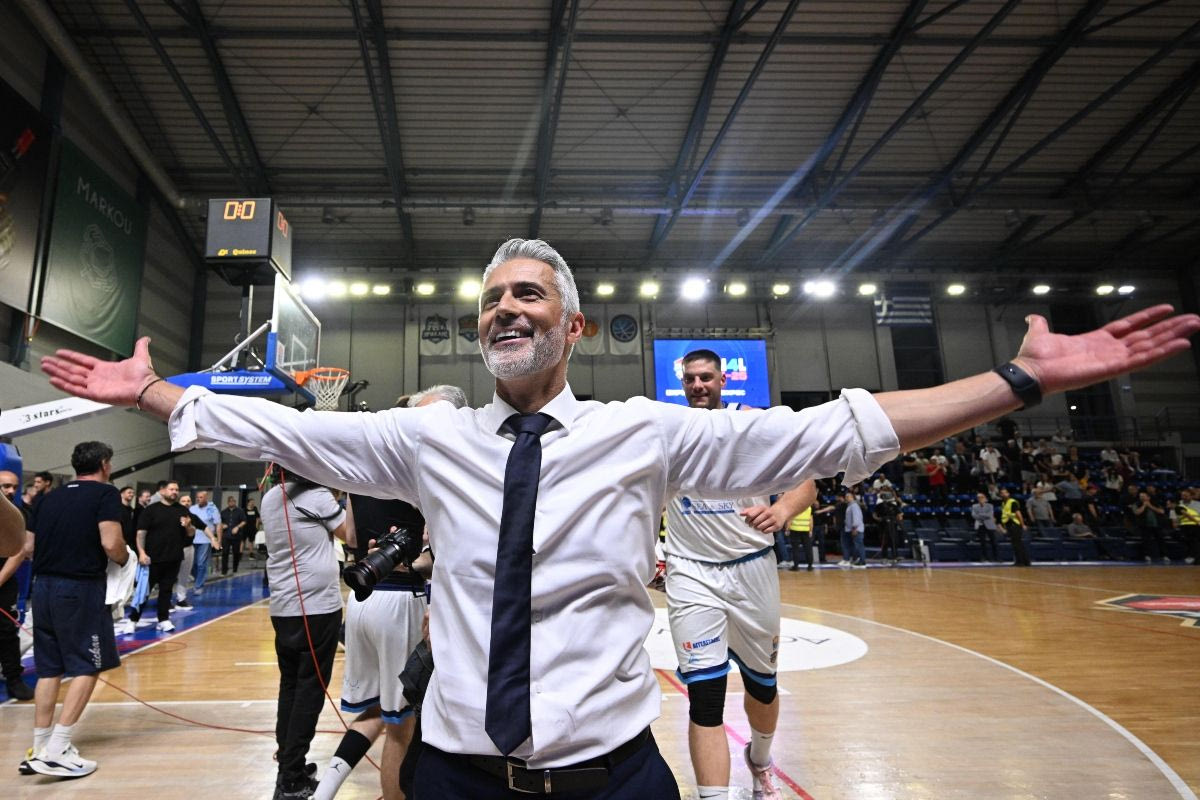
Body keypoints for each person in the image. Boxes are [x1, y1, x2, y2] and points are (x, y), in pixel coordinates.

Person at [41, 238, 1199, 798]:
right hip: (453, 777)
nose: (504, 308)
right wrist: (156, 394)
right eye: (492, 297)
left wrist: (1018, 380)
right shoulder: (428, 437)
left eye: (528, 294)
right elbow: (282, 430)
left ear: (573, 328)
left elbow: (837, 428)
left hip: (613, 781)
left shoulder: (645, 432)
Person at [663, 348, 814, 800]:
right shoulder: (669, 430)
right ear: (682, 383)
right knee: (705, 696)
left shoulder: (753, 423)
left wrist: (783, 510)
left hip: (752, 569)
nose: (698, 385)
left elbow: (805, 482)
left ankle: (760, 760)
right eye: (691, 378)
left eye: (706, 377)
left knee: (762, 687)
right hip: (691, 571)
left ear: (722, 380)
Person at [314, 384, 465, 800]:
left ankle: (323, 793)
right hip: (401, 599)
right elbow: (441, 545)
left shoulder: (360, 471)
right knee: (401, 725)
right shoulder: (417, 470)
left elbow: (350, 536)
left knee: (374, 711)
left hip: (362, 596)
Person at [22, 442, 128, 778]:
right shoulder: (106, 494)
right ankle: (57, 749)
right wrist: (125, 559)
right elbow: (111, 543)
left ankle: (39, 748)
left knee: (49, 668)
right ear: (104, 464)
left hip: (42, 588)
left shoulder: (47, 498)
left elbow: (28, 547)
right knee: (88, 664)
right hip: (80, 589)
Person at [260, 466, 348, 800]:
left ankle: (289, 765)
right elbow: (351, 535)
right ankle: (291, 778)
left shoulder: (271, 497)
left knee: (291, 687)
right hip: (315, 610)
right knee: (310, 691)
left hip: (284, 609)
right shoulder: (317, 496)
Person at [133, 481, 191, 631]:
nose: (174, 492)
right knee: (144, 591)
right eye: (171, 489)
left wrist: (188, 525)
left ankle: (163, 619)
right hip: (152, 558)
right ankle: (133, 619)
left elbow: (191, 533)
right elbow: (141, 533)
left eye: (177, 489)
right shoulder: (151, 510)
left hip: (173, 557)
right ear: (163, 491)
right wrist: (142, 553)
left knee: (166, 590)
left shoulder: (182, 510)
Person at [0, 471, 34, 700]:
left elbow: (19, 551)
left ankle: (13, 678)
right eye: (5, 486)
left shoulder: (19, 515)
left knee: (6, 631)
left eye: (14, 486)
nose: (11, 491)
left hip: (4, 581)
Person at [184, 490, 221, 597]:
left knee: (201, 563)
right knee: (192, 564)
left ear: (206, 498)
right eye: (197, 497)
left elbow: (218, 525)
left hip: (205, 540)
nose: (198, 499)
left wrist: (218, 540)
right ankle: (198, 579)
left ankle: (198, 586)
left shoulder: (212, 509)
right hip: (192, 540)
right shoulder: (192, 509)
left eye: (201, 497)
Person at [1131, 491, 1168, 564]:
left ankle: (1164, 555)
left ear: (1148, 497)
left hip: (1156, 525)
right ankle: (1147, 555)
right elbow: (1137, 512)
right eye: (1140, 496)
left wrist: (1150, 506)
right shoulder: (1136, 504)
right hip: (1144, 526)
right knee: (1146, 541)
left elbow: (1162, 511)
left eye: (1143, 496)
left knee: (1160, 540)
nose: (1141, 498)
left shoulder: (1155, 503)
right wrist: (1144, 505)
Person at [999, 487, 1031, 566]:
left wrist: (1023, 524)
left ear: (1008, 494)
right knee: (1016, 544)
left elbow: (1018, 514)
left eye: (1005, 492)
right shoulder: (1003, 503)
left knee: (1017, 544)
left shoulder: (1012, 502)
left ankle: (1021, 562)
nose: (1003, 494)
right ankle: (1024, 561)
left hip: (1015, 524)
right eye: (1002, 493)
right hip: (1009, 525)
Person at [220, 495, 248, 574]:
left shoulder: (240, 511)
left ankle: (235, 569)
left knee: (236, 553)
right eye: (230, 501)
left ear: (235, 502)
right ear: (228, 502)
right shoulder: (223, 512)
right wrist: (222, 525)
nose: (231, 502)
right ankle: (224, 570)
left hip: (236, 536)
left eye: (233, 501)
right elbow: (219, 522)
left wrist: (237, 527)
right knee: (225, 552)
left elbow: (244, 521)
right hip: (226, 535)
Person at [970, 492, 1000, 562]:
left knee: (994, 542)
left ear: (985, 498)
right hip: (980, 525)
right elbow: (974, 515)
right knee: (982, 542)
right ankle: (984, 557)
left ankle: (996, 557)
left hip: (990, 525)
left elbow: (989, 515)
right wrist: (984, 515)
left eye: (981, 497)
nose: (980, 499)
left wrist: (980, 514)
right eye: (978, 498)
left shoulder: (990, 506)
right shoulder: (974, 506)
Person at [842, 489, 866, 568]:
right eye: (846, 497)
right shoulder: (850, 506)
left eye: (847, 497)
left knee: (859, 545)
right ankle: (858, 560)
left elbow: (856, 517)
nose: (846, 498)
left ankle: (862, 562)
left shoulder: (854, 506)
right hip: (852, 529)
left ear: (852, 497)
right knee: (856, 545)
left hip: (856, 529)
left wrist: (855, 528)